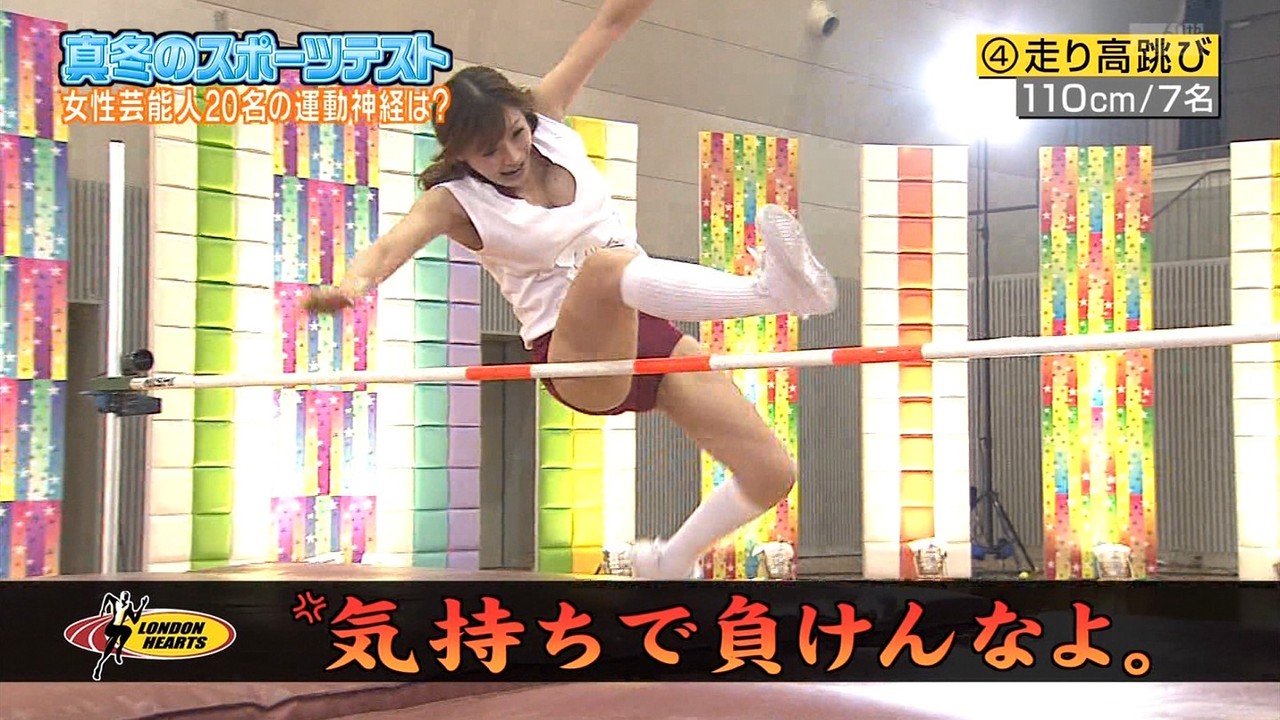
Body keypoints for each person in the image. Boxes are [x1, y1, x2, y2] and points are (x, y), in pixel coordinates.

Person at [304, 0, 838, 579]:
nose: (512, 155)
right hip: (573, 355)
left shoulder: (549, 120)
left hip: (646, 329)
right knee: (605, 267)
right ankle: (769, 294)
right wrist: (350, 287)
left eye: (516, 133)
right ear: (459, 154)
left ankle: (670, 559)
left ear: (524, 116)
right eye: (490, 151)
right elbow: (388, 248)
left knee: (771, 473)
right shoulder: (453, 203)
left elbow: (609, 23)